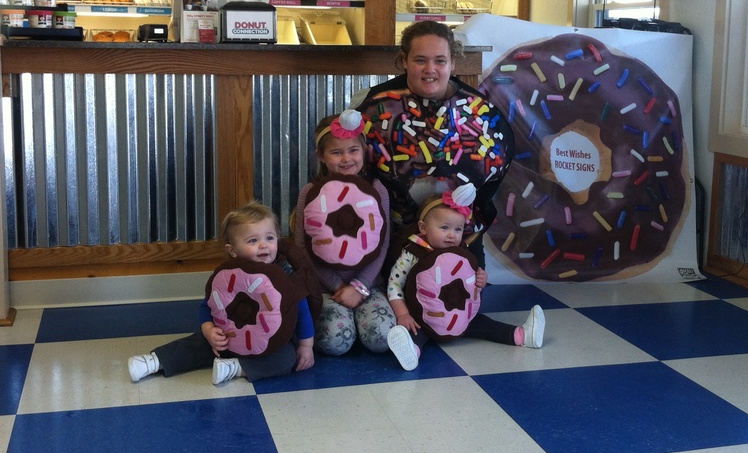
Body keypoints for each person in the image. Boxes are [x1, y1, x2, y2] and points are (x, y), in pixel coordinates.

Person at [353, 20, 514, 267]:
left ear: (453, 63)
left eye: (440, 60)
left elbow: (495, 175)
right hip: (392, 236)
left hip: (459, 235)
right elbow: (351, 166)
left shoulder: (481, 112)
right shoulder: (375, 106)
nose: (430, 69)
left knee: (460, 301)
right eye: (420, 60)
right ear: (404, 61)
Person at [128, 201, 320, 384]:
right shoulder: (228, 275)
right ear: (232, 250)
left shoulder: (285, 274)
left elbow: (301, 312)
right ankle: (156, 361)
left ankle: (236, 368)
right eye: (253, 240)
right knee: (198, 343)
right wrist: (209, 330)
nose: (263, 245)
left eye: (269, 238)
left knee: (286, 358)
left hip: (270, 344)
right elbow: (208, 306)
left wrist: (306, 346)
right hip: (229, 339)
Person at [386, 185, 545, 371]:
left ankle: (522, 335)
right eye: (444, 227)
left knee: (484, 324)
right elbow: (394, 285)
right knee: (415, 331)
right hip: (424, 317)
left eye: (458, 229)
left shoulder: (462, 251)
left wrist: (480, 279)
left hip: (461, 317)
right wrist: (403, 314)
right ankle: (411, 352)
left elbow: (471, 280)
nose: (451, 235)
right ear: (423, 227)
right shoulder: (412, 252)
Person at [293, 109, 395, 356]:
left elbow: (382, 244)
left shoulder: (377, 190)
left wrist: (359, 287)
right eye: (336, 152)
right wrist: (337, 285)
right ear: (321, 156)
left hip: (368, 285)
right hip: (326, 288)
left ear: (364, 152)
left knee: (382, 338)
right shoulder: (310, 192)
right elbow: (302, 247)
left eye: (353, 150)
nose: (346, 158)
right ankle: (348, 322)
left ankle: (360, 320)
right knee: (334, 343)